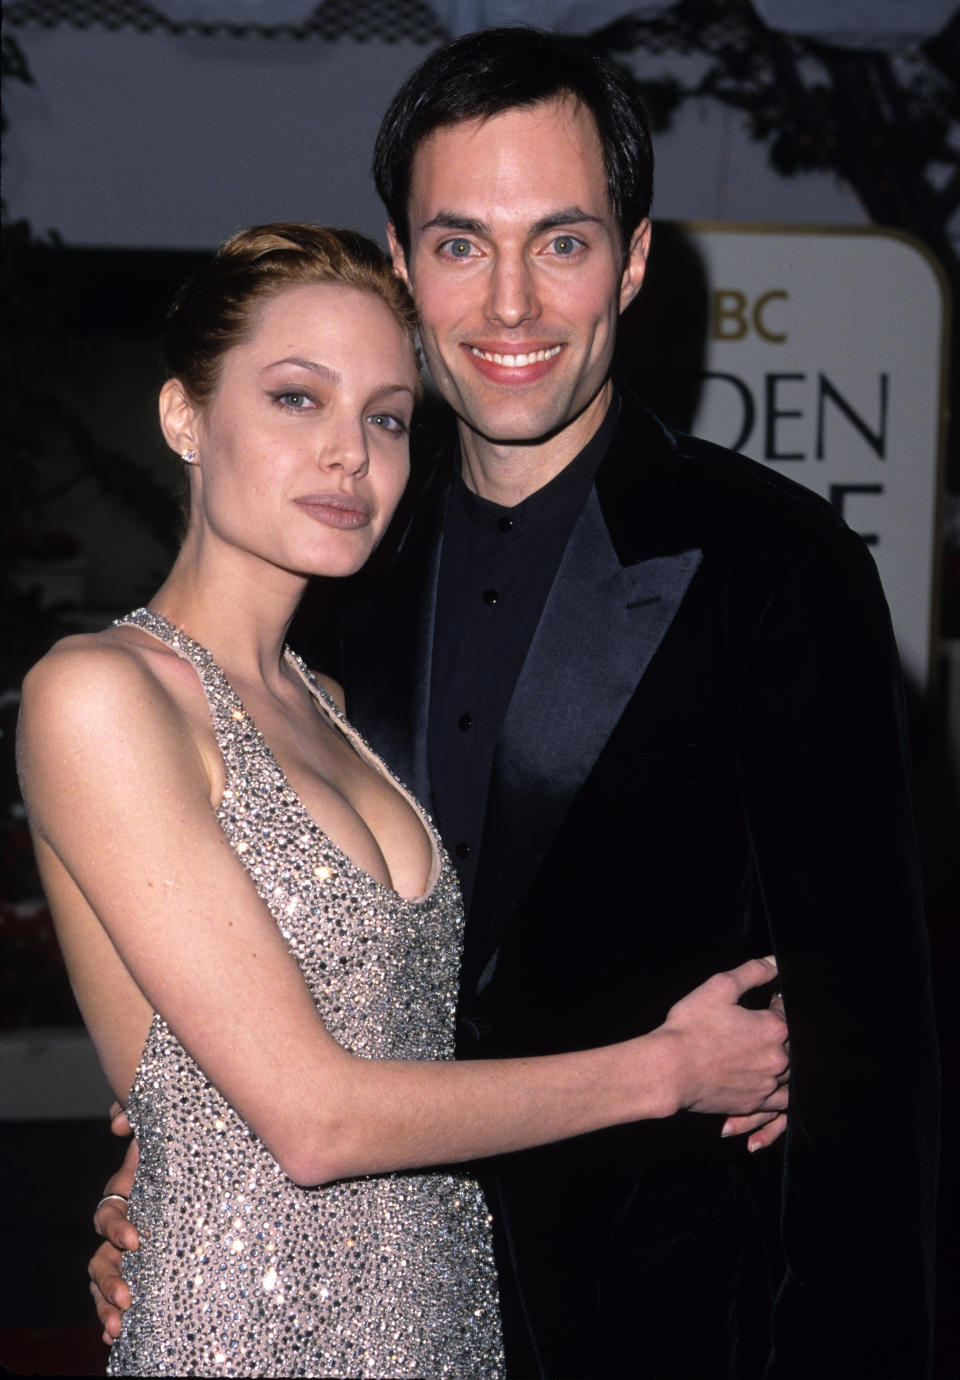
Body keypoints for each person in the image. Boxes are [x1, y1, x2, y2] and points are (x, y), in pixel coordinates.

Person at [88, 27, 939, 1377]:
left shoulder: (774, 567)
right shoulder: (336, 570)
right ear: (402, 262)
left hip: (672, 1324)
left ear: (636, 259)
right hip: (359, 1302)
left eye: (563, 239)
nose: (510, 307)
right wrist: (156, 1192)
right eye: (460, 243)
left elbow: (876, 1051)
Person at [18, 222, 790, 1378]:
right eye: (295, 399)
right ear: (185, 418)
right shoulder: (99, 694)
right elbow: (314, 1119)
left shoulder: (336, 702)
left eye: (386, 417)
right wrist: (670, 1069)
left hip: (445, 1324)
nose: (350, 455)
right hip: (254, 1335)